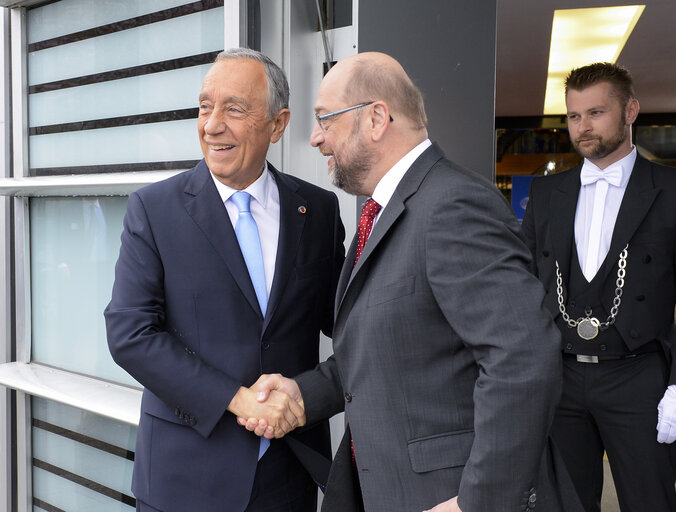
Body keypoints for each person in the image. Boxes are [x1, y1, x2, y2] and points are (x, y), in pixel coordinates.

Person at [241, 52, 581, 512]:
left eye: (325, 119)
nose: (316, 137)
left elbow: (523, 361)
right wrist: (303, 394)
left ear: (377, 118)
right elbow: (389, 347)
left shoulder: (452, 206)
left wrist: (475, 503)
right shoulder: (384, 211)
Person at [104, 48, 345, 512]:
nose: (212, 125)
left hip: (288, 474)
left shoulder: (316, 210)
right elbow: (130, 334)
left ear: (278, 124)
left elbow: (346, 321)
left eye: (234, 109)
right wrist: (237, 400)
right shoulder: (154, 210)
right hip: (185, 479)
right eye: (204, 106)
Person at [520, 62, 676, 511]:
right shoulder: (547, 194)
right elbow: (525, 289)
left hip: (640, 378)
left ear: (630, 111)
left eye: (595, 113)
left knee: (652, 502)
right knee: (563, 502)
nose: (582, 127)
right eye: (573, 116)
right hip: (561, 376)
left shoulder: (669, 189)